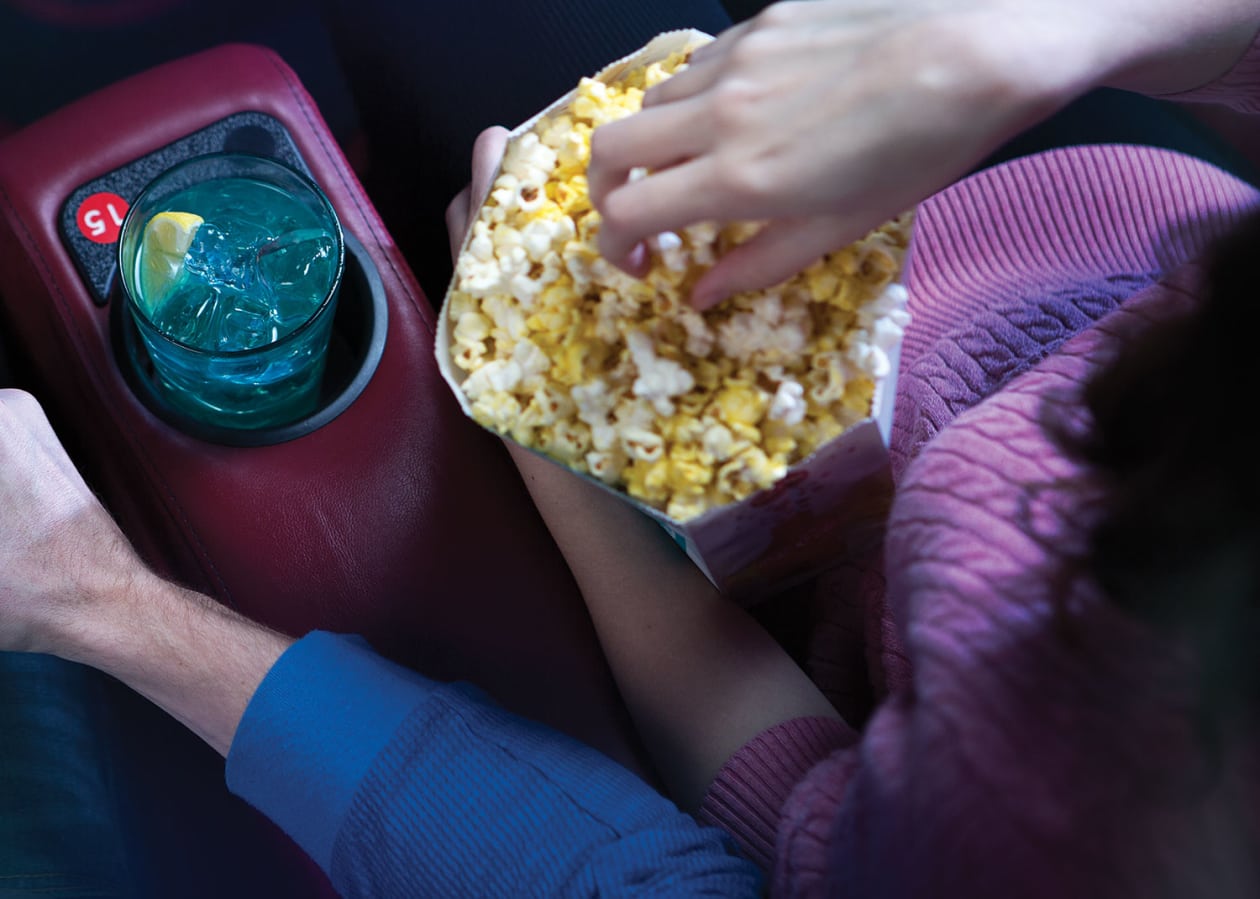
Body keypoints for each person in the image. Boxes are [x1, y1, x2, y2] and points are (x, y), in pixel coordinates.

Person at [2, 4, 1260, 899]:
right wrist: (1061, 29)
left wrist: (97, 598)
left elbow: (765, 848)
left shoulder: (1110, 822)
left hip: (733, 555)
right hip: (1001, 192)